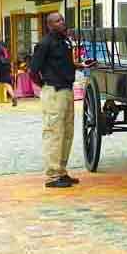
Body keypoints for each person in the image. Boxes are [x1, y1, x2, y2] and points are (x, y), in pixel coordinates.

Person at [29, 12, 93, 188]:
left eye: (62, 19)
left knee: (67, 132)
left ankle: (61, 171)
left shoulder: (65, 42)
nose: (61, 23)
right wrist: (45, 85)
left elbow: (65, 64)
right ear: (49, 25)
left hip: (67, 89)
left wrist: (80, 65)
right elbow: (33, 71)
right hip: (53, 91)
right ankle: (52, 175)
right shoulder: (44, 44)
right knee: (54, 132)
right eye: (57, 21)